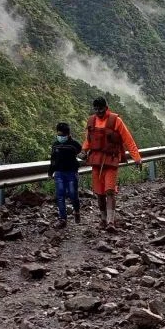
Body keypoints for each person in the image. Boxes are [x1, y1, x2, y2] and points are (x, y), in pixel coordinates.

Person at [82, 97, 142, 232]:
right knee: (99, 193)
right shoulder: (92, 121)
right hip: (96, 160)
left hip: (111, 160)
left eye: (101, 109)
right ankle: (103, 220)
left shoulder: (116, 121)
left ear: (106, 107)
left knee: (109, 191)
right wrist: (84, 151)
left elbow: (128, 139)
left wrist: (136, 157)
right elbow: (88, 140)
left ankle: (110, 221)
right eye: (96, 109)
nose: (99, 112)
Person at [49, 122, 82, 229]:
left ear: (68, 134)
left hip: (71, 173)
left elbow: (81, 152)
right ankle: (62, 219)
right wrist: (50, 171)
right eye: (59, 134)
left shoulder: (74, 145)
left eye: (63, 135)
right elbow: (53, 160)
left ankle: (77, 211)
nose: (60, 137)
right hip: (59, 173)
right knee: (60, 196)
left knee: (73, 194)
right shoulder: (55, 145)